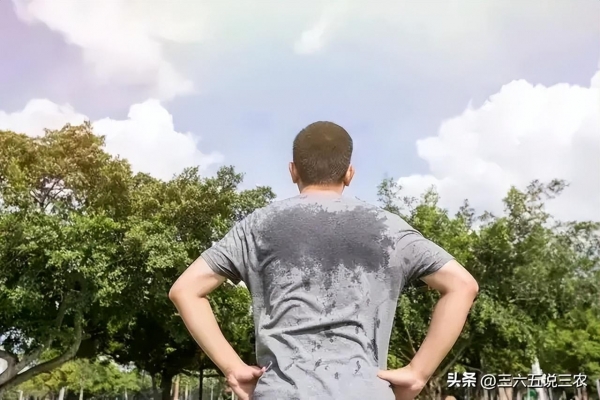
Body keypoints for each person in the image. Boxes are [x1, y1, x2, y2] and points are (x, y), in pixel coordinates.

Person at [169, 121, 479, 400]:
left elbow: (185, 290)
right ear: (349, 173)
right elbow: (462, 285)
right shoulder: (390, 229)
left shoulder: (257, 226)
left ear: (293, 171)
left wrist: (233, 368)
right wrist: (418, 372)